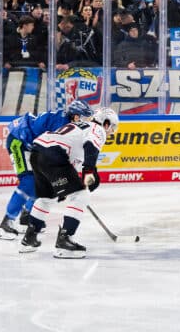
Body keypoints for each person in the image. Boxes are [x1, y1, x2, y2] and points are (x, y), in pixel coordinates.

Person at [19, 107, 119, 258]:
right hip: (53, 155)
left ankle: (29, 239)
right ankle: (64, 241)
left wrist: (66, 186)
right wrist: (89, 172)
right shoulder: (97, 130)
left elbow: (70, 161)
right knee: (81, 195)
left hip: (37, 153)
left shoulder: (81, 126)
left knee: (47, 198)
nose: (111, 131)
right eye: (112, 126)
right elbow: (91, 147)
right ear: (105, 123)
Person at [0, 100, 93, 240]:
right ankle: (6, 223)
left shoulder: (71, 128)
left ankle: (27, 217)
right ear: (76, 117)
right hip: (19, 142)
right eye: (85, 117)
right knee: (29, 182)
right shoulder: (60, 124)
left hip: (34, 147)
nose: (87, 122)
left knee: (43, 182)